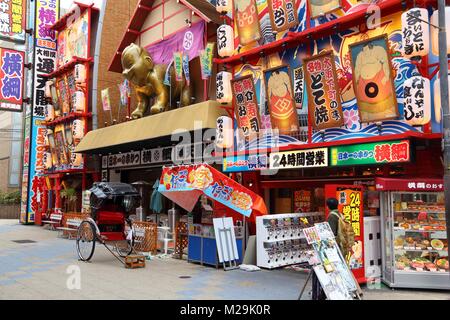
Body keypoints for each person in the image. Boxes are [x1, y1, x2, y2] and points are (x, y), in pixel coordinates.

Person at [312, 197, 340, 300]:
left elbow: (330, 234)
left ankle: (326, 293)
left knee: (329, 270)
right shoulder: (339, 214)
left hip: (333, 248)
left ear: (328, 206)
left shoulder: (332, 216)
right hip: (340, 247)